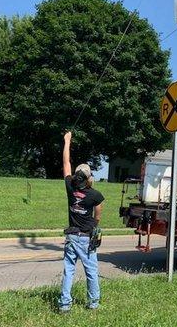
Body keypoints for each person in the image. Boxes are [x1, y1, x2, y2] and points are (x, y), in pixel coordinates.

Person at [58, 131, 104, 313]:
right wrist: (95, 224)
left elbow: (66, 163)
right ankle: (93, 303)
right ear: (89, 178)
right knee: (91, 272)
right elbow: (98, 213)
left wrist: (67, 141)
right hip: (86, 238)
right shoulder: (95, 195)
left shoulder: (70, 187)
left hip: (71, 237)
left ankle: (65, 305)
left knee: (68, 271)